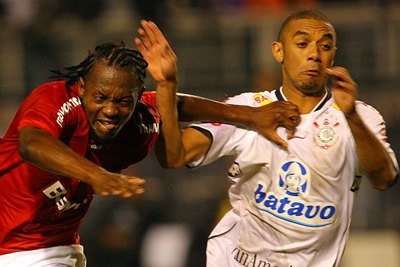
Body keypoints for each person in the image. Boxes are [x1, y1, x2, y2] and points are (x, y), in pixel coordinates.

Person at [0, 25, 301, 266]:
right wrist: (96, 175)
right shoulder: (56, 100)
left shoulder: (138, 123)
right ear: (81, 87)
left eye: (122, 101)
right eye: (100, 97)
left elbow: (173, 106)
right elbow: (32, 143)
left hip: (50, 249)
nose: (110, 110)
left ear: (136, 96)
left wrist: (249, 116)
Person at [140, 10, 400, 267]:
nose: (314, 54)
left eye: (325, 46)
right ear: (278, 51)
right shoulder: (248, 108)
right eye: (302, 44)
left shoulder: (361, 116)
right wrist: (167, 83)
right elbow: (175, 155)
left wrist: (351, 116)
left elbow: (384, 178)